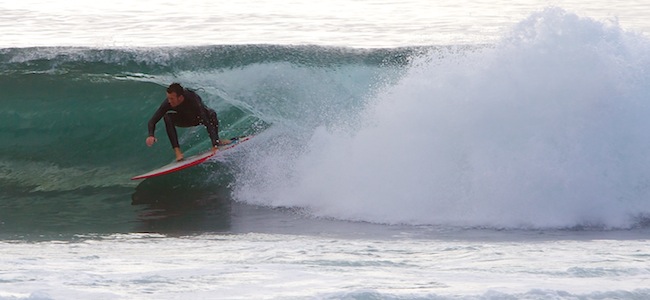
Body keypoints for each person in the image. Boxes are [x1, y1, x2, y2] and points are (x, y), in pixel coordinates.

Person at [146, 83, 229, 161]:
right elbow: (152, 121)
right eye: (168, 98)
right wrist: (151, 135)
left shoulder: (193, 98)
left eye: (172, 98)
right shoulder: (167, 104)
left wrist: (214, 145)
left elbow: (206, 119)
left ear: (180, 97)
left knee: (212, 114)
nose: (169, 101)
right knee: (167, 117)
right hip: (184, 120)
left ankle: (217, 142)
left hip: (198, 118)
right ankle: (178, 152)